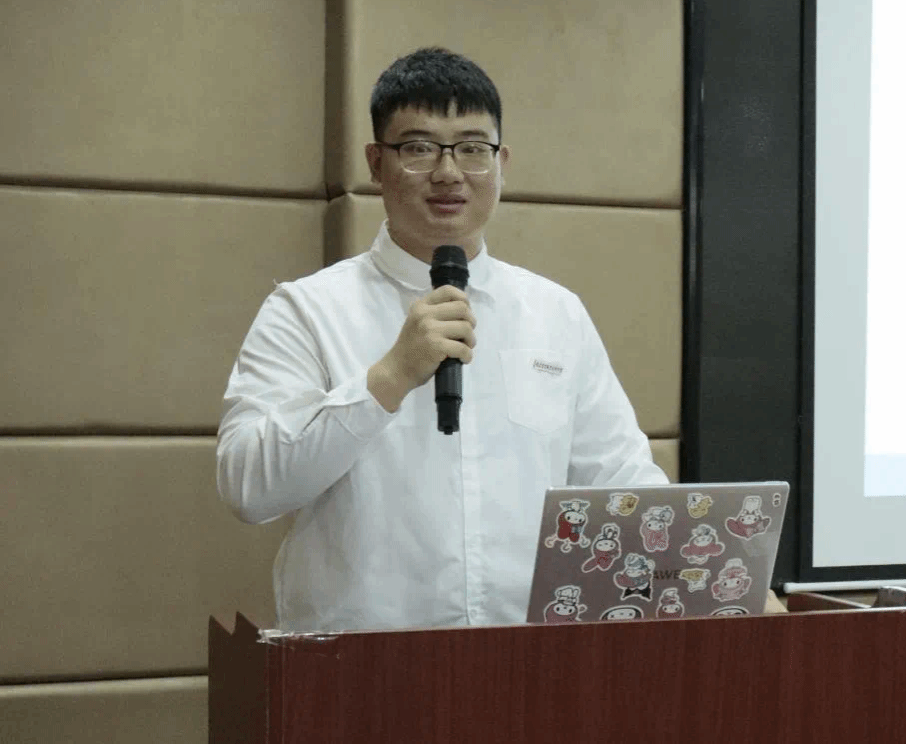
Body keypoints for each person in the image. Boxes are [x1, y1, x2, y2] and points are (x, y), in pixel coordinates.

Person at [216, 47, 780, 631]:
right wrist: (389, 377)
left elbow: (623, 484)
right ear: (377, 164)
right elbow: (248, 486)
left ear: (501, 162)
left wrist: (727, 581)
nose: (448, 172)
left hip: (528, 660)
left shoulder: (555, 314)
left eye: (472, 148)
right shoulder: (307, 310)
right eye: (419, 148)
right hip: (360, 662)